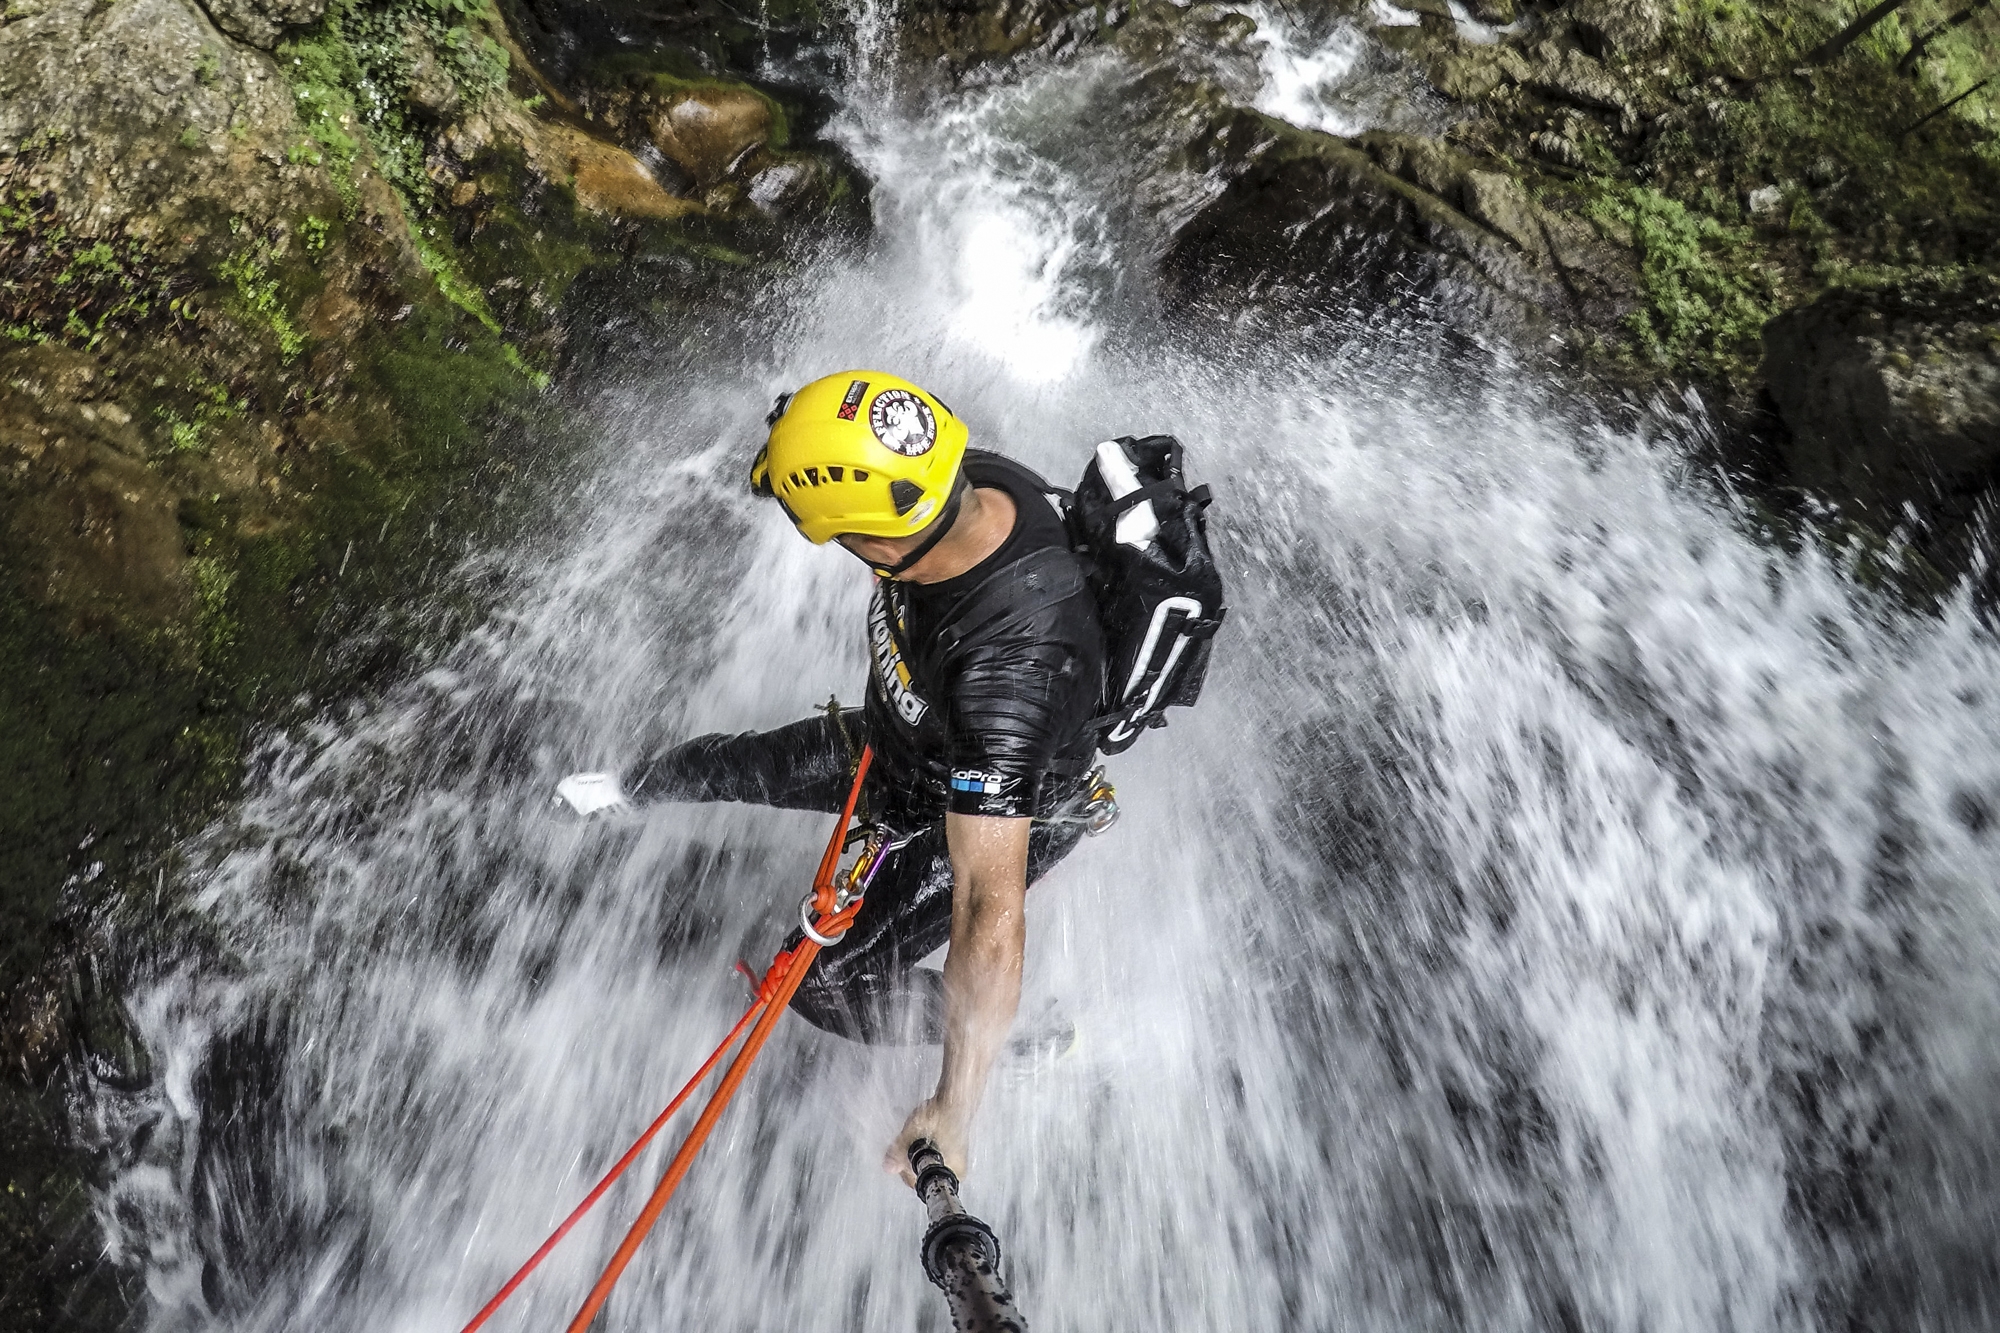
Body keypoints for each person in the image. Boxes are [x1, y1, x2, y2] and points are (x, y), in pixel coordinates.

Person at [559, 370, 1106, 1184]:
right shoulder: (958, 475)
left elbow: (989, 905)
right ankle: (631, 791)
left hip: (974, 795)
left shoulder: (1012, 673)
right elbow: (855, 438)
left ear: (882, 541)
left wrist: (953, 1111)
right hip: (903, 742)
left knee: (824, 983)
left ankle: (1011, 1041)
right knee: (734, 762)